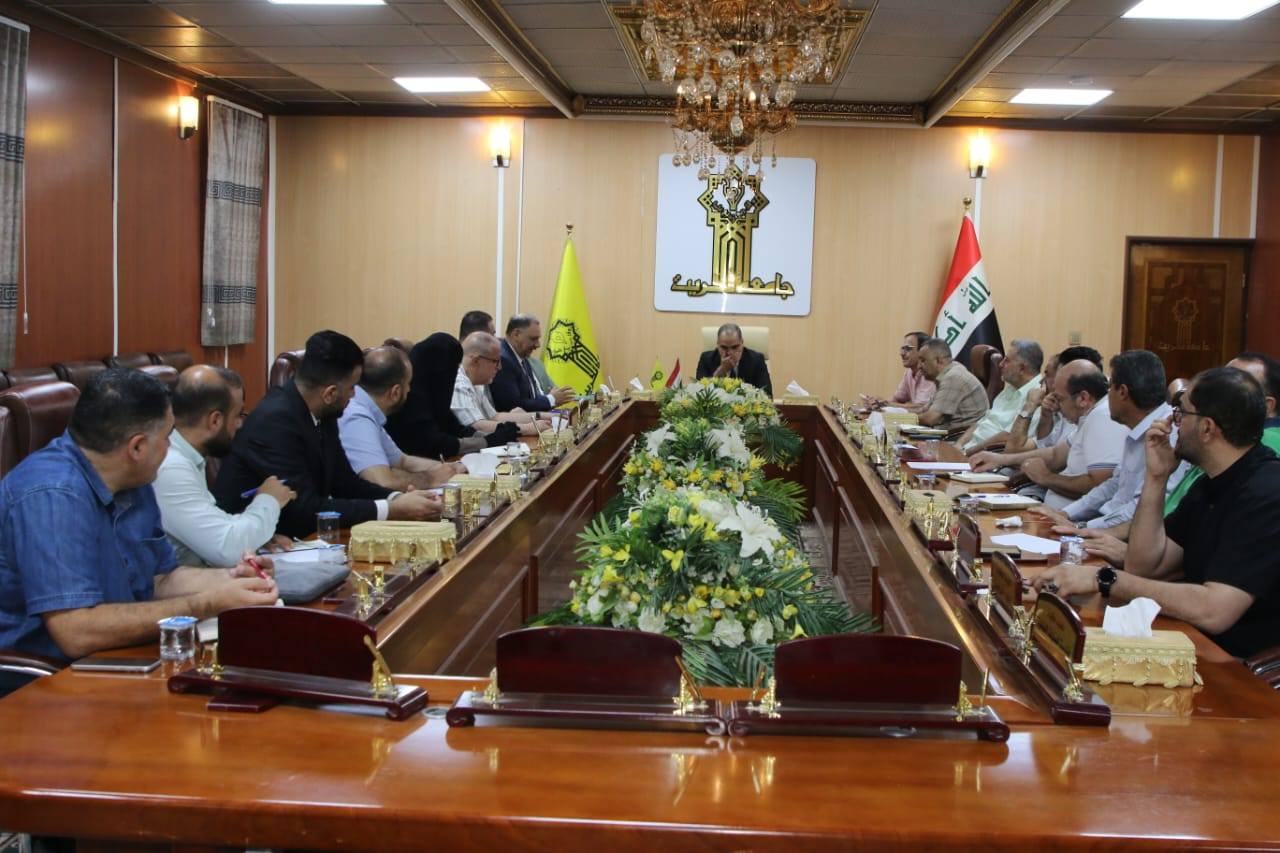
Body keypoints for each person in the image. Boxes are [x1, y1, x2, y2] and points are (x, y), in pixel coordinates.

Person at [0, 369, 278, 671]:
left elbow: (160, 579)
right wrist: (206, 604)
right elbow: (75, 631)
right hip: (44, 677)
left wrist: (233, 579)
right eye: (167, 437)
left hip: (118, 658)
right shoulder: (52, 495)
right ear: (136, 447)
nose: (170, 448)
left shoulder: (134, 478)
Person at [1034, 367, 1280, 660]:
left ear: (1206, 428)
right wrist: (1156, 477)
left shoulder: (1267, 492)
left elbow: (1214, 610)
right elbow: (1145, 565)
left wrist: (1105, 579)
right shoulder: (1209, 483)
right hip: (1189, 639)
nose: (1171, 423)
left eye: (1181, 413)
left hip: (1239, 664)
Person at [214, 330, 440, 538]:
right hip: (255, 546)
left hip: (300, 538)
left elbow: (345, 482)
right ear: (330, 393)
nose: (354, 395)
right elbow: (304, 508)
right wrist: (391, 509)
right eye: (352, 388)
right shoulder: (275, 422)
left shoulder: (324, 411)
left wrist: (397, 498)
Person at [154, 366, 297, 567]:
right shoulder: (171, 467)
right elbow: (227, 549)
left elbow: (213, 528)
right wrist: (269, 500)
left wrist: (256, 537)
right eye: (238, 415)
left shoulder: (188, 455)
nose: (240, 425)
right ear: (215, 420)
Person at [1035, 349, 1170, 530]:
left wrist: (1083, 528)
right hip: (1101, 524)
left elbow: (1138, 510)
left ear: (1122, 392)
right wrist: (1065, 514)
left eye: (1110, 387)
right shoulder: (1136, 429)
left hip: (1125, 535)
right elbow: (1113, 485)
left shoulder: (1165, 435)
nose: (1107, 396)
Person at [971, 360, 1127, 509]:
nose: (1056, 406)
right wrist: (1000, 459)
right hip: (1056, 512)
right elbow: (1055, 455)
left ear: (1083, 398)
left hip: (1069, 521)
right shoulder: (1089, 416)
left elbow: (1099, 486)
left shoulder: (1102, 418)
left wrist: (1046, 478)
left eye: (1059, 399)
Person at [1164, 351, 1280, 514]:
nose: (1219, 386)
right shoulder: (1223, 439)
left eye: (1236, 382)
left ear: (1267, 405)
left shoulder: (1260, 445)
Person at [339, 347, 466, 491]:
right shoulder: (357, 416)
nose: (409, 390)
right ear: (395, 392)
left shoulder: (367, 409)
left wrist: (448, 469)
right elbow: (381, 482)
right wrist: (429, 479)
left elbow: (402, 461)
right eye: (408, 384)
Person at [386, 333, 519, 459]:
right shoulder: (410, 396)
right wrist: (487, 441)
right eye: (453, 368)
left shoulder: (431, 389)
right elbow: (433, 443)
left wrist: (493, 435)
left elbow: (453, 427)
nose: (453, 375)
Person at [958, 339, 1044, 452]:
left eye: (1007, 361)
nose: (1000, 364)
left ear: (1022, 368)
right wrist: (958, 445)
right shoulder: (1012, 387)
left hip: (986, 455)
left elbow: (1008, 437)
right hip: (968, 450)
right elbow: (983, 421)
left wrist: (967, 453)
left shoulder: (1037, 397)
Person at [455, 333, 548, 437]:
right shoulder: (459, 384)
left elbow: (495, 417)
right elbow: (476, 426)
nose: (499, 367)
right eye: (496, 361)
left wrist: (545, 416)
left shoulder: (474, 383)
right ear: (476, 361)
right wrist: (529, 428)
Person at [491, 314, 574, 413]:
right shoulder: (503, 359)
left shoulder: (521, 355)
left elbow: (531, 397)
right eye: (533, 339)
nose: (538, 345)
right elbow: (513, 406)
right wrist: (551, 399)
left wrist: (551, 398)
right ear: (516, 334)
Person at [916, 337, 988, 431]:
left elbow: (930, 419)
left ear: (939, 361)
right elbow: (924, 410)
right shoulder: (947, 374)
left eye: (923, 361)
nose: (919, 366)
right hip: (951, 434)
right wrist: (899, 414)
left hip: (959, 437)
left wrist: (902, 419)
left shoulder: (953, 377)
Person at [863, 331, 934, 412]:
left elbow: (921, 408)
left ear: (922, 351)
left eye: (908, 349)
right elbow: (897, 399)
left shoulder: (929, 373)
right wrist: (879, 404)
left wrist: (887, 404)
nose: (902, 353)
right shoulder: (909, 372)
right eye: (902, 348)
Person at [695, 323, 773, 396]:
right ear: (718, 344)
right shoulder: (706, 359)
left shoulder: (756, 360)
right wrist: (720, 372)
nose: (730, 353)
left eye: (735, 347)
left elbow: (767, 395)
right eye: (724, 347)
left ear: (742, 343)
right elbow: (698, 394)